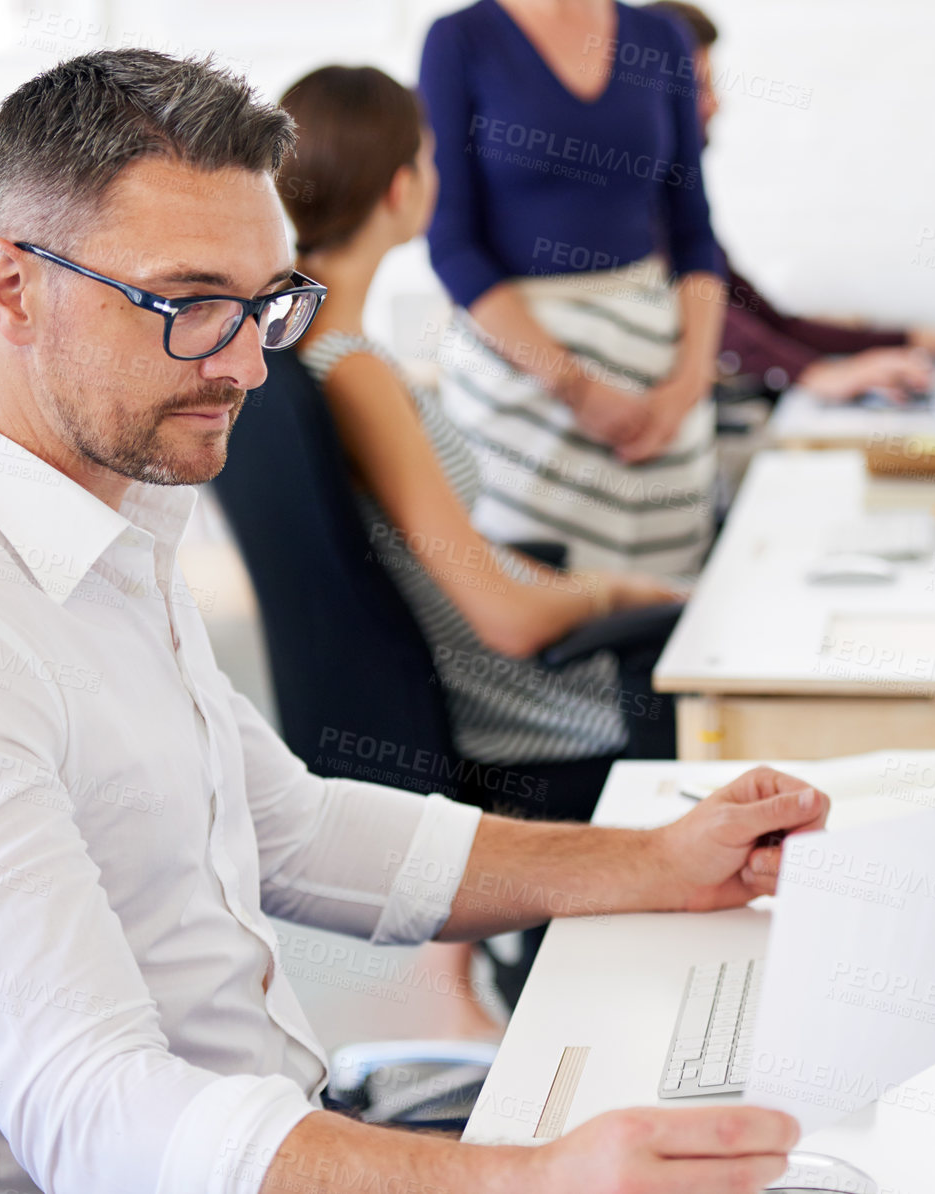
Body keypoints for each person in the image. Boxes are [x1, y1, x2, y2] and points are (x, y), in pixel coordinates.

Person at [0, 50, 825, 1194]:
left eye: (267, 305)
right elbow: (91, 1114)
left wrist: (650, 862)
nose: (246, 366)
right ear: (12, 289)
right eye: (189, 304)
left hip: (271, 1131)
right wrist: (526, 1180)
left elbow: (290, 829)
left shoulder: (106, 533)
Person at [276, 63, 685, 1035]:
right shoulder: (355, 371)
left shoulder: (296, 355)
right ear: (399, 188)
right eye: (425, 157)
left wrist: (573, 584)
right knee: (695, 661)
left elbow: (451, 562)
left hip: (431, 690)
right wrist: (611, 589)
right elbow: (498, 615)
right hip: (507, 714)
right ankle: (635, 1016)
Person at [418, 0, 728, 577]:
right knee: (542, 604)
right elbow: (451, 243)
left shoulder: (661, 38)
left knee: (666, 608)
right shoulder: (460, 40)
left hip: (658, 385)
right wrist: (576, 387)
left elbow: (695, 234)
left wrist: (688, 384)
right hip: (521, 380)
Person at [645, 0, 935, 404]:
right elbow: (713, 321)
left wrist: (915, 340)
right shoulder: (634, 216)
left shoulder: (679, 211)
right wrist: (817, 375)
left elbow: (771, 324)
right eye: (699, 89)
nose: (716, 105)